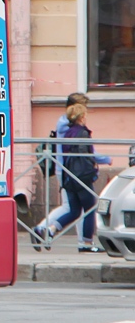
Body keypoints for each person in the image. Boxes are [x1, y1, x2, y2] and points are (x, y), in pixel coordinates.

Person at [35, 103, 111, 253]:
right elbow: (87, 155)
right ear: (81, 117)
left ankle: (49, 230)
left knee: (74, 211)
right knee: (90, 208)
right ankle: (87, 244)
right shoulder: (82, 133)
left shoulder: (67, 132)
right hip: (81, 177)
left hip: (68, 176)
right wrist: (103, 161)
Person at [33, 92, 90, 249]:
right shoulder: (67, 125)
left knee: (77, 207)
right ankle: (42, 229)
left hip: (66, 168)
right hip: (67, 169)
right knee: (71, 207)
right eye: (83, 107)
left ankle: (82, 241)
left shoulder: (64, 122)